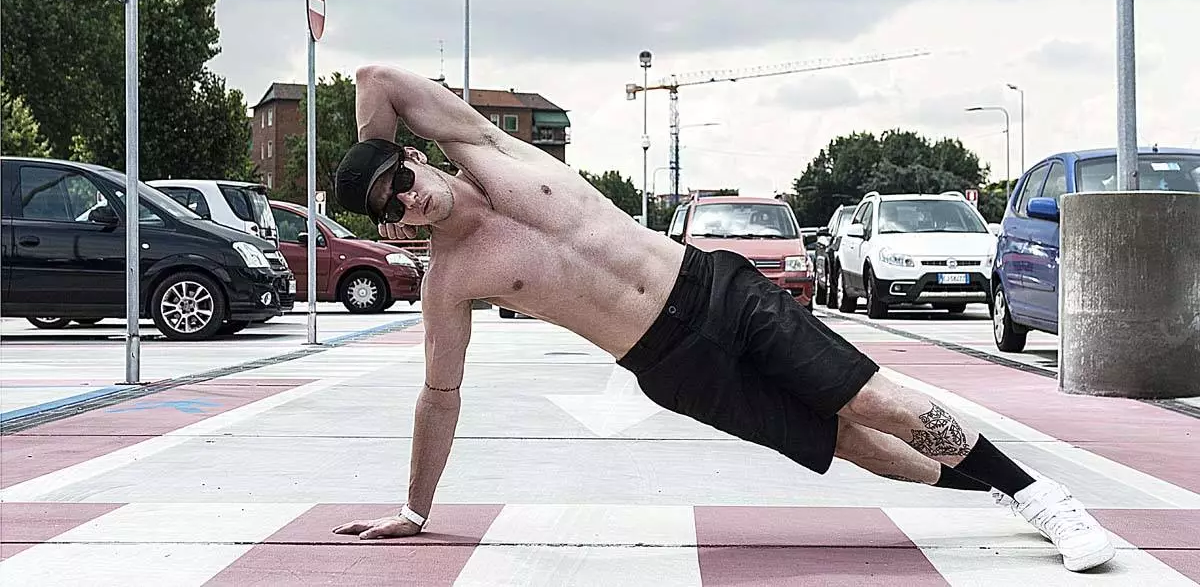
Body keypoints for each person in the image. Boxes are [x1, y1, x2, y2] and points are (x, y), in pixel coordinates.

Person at [329, 64, 1115, 573]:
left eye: (398, 180)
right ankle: (1003, 492)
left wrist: (366, 155)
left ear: (414, 157)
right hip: (674, 367)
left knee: (868, 399)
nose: (405, 201)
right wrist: (412, 510)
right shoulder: (450, 281)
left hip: (717, 293)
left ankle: (1045, 496)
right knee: (847, 442)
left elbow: (375, 79)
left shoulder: (489, 149)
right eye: (388, 210)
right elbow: (440, 395)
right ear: (388, 228)